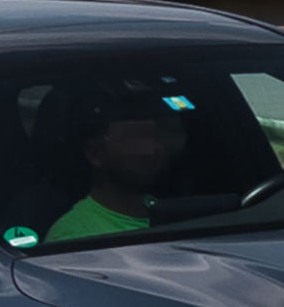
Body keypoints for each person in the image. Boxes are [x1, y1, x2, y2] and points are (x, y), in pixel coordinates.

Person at [45, 90, 189, 243]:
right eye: (138, 139)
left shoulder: (173, 213)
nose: (155, 148)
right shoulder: (73, 237)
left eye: (155, 136)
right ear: (95, 155)